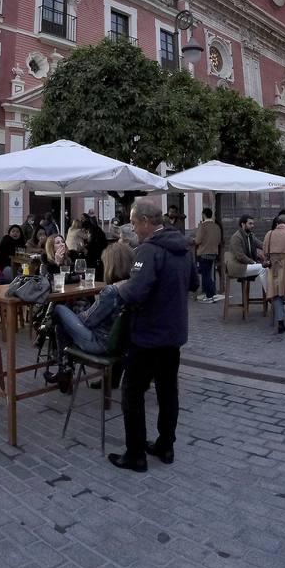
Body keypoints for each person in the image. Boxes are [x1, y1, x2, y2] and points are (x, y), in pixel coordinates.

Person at [106, 199, 197, 472]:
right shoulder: (182, 248)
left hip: (147, 335)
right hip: (174, 333)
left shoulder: (148, 251)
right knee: (168, 391)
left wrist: (119, 288)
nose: (134, 230)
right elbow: (194, 283)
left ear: (146, 221)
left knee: (132, 393)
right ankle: (165, 445)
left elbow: (136, 292)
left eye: (134, 224)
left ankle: (135, 454)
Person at [261, 215, 285, 333]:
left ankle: (280, 321)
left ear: (277, 223)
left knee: (276, 293)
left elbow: (264, 251)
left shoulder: (269, 234)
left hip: (274, 266)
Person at [223, 215, 266, 299]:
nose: (252, 226)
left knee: (267, 268)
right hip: (237, 267)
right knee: (263, 268)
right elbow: (240, 256)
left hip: (244, 265)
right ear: (243, 224)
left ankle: (271, 294)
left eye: (253, 224)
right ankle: (269, 295)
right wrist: (254, 262)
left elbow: (261, 245)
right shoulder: (237, 237)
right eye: (250, 224)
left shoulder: (250, 235)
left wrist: (273, 247)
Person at [193, 207, 222, 304]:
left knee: (205, 275)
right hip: (214, 253)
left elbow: (198, 240)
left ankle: (210, 295)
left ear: (203, 215)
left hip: (204, 253)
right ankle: (211, 293)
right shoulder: (216, 226)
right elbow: (219, 240)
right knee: (209, 273)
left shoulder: (203, 226)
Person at [82, 214, 108, 279]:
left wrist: (86, 247)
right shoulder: (97, 229)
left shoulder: (93, 230)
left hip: (96, 253)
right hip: (100, 252)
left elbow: (92, 243)